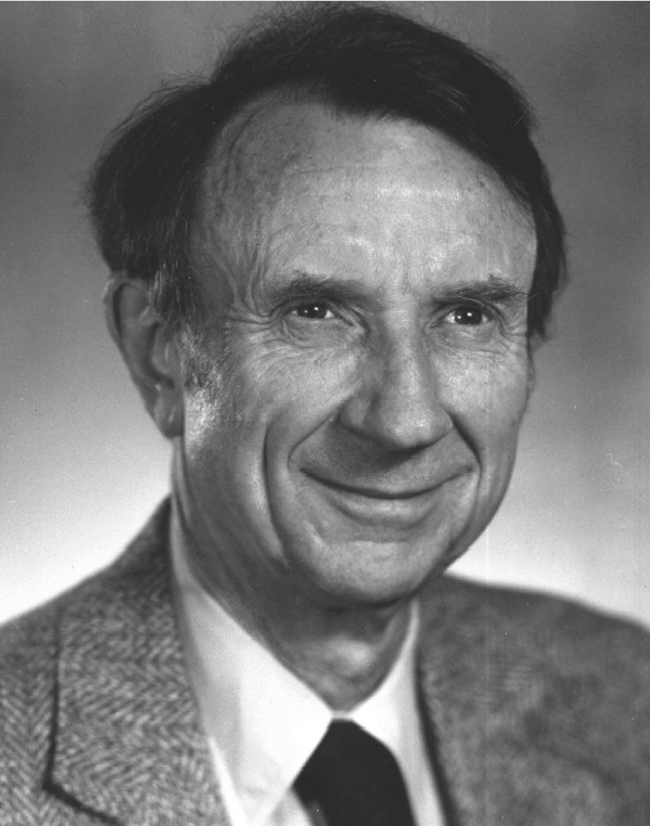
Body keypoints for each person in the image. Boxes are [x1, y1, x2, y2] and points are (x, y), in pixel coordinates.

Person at [1, 3, 648, 825]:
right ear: (159, 348)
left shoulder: (624, 699)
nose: (405, 420)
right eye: (316, 312)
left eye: (467, 315)